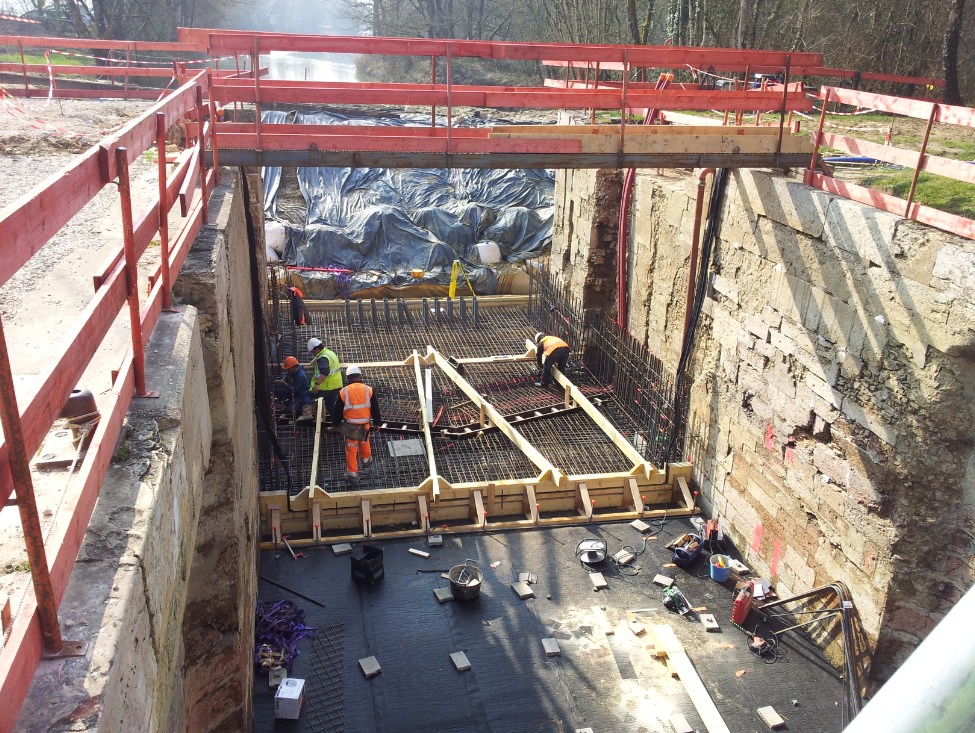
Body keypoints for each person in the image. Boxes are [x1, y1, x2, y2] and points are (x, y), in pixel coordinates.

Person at [338, 365, 382, 482]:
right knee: (364, 441)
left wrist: (335, 423)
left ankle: (352, 474)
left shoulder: (344, 392)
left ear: (348, 378)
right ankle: (366, 460)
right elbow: (375, 408)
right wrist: (377, 423)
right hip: (365, 424)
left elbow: (337, 410)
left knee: (352, 448)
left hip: (350, 426)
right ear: (360, 376)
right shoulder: (368, 389)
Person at [307, 337, 343, 426]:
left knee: (307, 396)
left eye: (312, 351)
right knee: (331, 406)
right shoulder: (330, 353)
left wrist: (317, 384)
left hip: (326, 387)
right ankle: (337, 425)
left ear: (317, 348)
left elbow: (325, 372)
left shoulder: (322, 358)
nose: (313, 354)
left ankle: (306, 415)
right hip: (335, 386)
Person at [275, 356, 312, 420]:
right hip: (292, 391)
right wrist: (280, 382)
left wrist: (284, 384)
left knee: (290, 411)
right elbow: (287, 379)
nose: (287, 370)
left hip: (300, 395)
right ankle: (285, 403)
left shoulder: (301, 376)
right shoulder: (291, 372)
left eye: (288, 369)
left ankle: (298, 410)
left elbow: (294, 390)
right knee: (277, 391)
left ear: (294, 367)